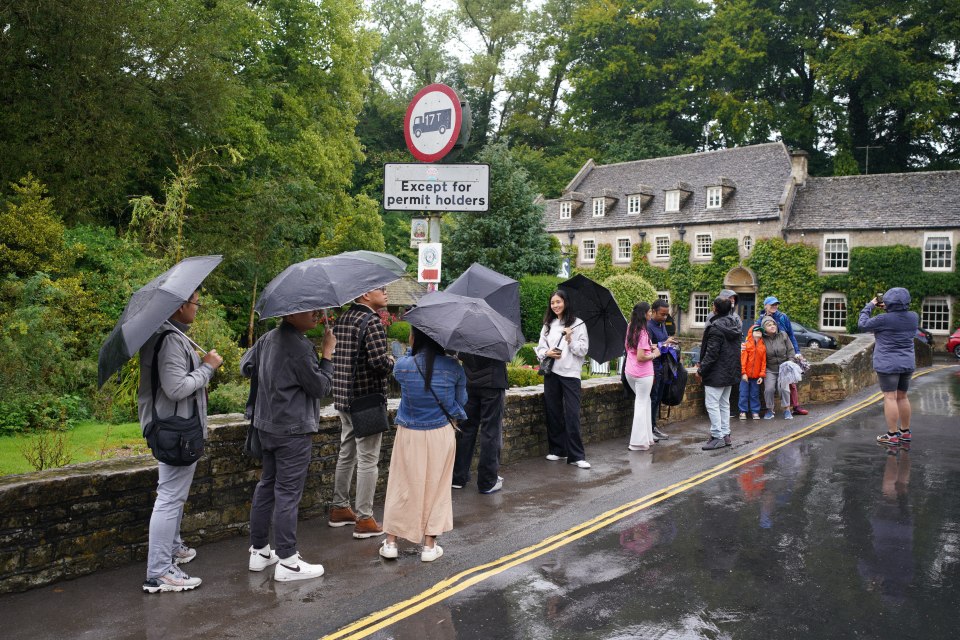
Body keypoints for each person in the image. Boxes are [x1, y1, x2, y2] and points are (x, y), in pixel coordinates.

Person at [241, 310, 336, 581]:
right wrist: (327, 354)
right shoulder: (300, 347)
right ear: (292, 315)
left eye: (319, 311)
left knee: (267, 485)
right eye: (311, 311)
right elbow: (320, 388)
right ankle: (288, 561)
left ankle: (259, 552)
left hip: (266, 426)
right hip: (292, 430)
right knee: (287, 493)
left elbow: (245, 366)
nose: (318, 315)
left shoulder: (267, 339)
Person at [140, 291, 223, 593]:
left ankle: (173, 548)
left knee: (172, 494)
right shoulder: (171, 340)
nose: (198, 308)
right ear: (180, 306)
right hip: (175, 431)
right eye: (196, 303)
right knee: (169, 498)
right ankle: (160, 572)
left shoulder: (171, 335)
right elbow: (175, 388)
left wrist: (201, 366)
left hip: (176, 428)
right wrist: (208, 367)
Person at [379, 327, 467, 562]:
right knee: (437, 488)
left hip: (409, 433)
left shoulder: (403, 366)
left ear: (414, 337)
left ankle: (391, 542)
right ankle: (429, 546)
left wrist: (410, 351)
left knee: (401, 484)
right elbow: (462, 401)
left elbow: (402, 374)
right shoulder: (454, 368)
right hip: (441, 432)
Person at [330, 286, 395, 538]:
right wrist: (392, 361)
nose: (386, 293)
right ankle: (365, 519)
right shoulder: (372, 322)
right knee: (368, 459)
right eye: (381, 289)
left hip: (344, 398)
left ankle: (339, 508)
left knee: (346, 453)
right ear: (365, 295)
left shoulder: (345, 318)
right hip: (366, 400)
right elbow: (379, 362)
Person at [535, 289, 591, 468]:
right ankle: (557, 450)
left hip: (570, 374)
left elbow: (583, 350)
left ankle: (576, 456)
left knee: (572, 414)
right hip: (552, 373)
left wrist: (570, 339)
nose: (555, 305)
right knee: (553, 412)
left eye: (558, 302)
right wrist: (547, 352)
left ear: (565, 302)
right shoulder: (548, 324)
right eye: (552, 303)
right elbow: (540, 348)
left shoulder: (577, 324)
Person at [858, 287, 919, 445]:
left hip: (887, 364)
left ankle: (892, 435)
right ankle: (905, 432)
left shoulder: (883, 320)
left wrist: (870, 306)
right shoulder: (913, 317)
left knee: (890, 397)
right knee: (902, 396)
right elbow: (897, 319)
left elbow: (862, 324)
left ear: (888, 302)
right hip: (907, 363)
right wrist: (890, 308)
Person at [452, 354, 507, 494]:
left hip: (469, 382)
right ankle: (487, 481)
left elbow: (459, 353)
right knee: (491, 431)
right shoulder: (498, 332)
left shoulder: (466, 333)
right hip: (492, 382)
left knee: (465, 429)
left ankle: (458, 477)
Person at [697, 297, 742, 450]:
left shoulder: (715, 328)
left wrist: (701, 369)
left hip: (716, 373)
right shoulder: (735, 324)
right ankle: (726, 434)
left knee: (712, 404)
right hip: (730, 371)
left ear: (715, 308)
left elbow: (711, 354)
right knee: (724, 404)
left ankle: (717, 436)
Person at [756, 296, 808, 415]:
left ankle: (795, 407)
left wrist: (797, 352)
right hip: (771, 358)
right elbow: (755, 335)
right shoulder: (760, 320)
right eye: (772, 304)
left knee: (791, 382)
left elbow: (791, 335)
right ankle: (772, 409)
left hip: (785, 351)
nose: (774, 306)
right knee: (771, 387)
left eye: (776, 304)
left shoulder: (783, 317)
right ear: (765, 306)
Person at [624, 302, 660, 451]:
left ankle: (647, 438)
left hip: (630, 372)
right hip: (643, 373)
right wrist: (654, 354)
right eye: (649, 312)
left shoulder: (630, 327)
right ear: (644, 314)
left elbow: (632, 349)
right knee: (641, 403)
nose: (651, 314)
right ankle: (637, 442)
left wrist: (648, 347)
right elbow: (641, 357)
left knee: (645, 401)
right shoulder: (643, 332)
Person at [648, 299, 678, 440]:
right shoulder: (648, 326)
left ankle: (654, 427)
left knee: (658, 398)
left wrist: (669, 342)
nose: (665, 317)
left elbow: (663, 342)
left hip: (662, 367)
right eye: (662, 314)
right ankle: (649, 429)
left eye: (666, 315)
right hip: (651, 367)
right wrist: (664, 343)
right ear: (653, 311)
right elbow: (647, 346)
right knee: (652, 398)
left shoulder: (662, 325)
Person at [759, 316, 793, 419]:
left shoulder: (783, 335)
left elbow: (791, 350)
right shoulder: (762, 339)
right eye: (769, 325)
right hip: (770, 368)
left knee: (783, 388)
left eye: (773, 324)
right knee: (769, 389)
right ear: (764, 328)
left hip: (783, 367)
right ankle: (770, 410)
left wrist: (790, 363)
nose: (772, 326)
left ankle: (787, 410)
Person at [739, 324, 766, 420]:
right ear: (751, 332)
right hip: (745, 376)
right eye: (756, 330)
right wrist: (743, 373)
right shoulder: (746, 345)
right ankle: (743, 411)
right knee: (743, 393)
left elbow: (763, 362)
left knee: (755, 395)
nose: (759, 332)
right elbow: (743, 360)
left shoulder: (763, 347)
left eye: (760, 331)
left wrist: (761, 376)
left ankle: (755, 411)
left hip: (756, 376)